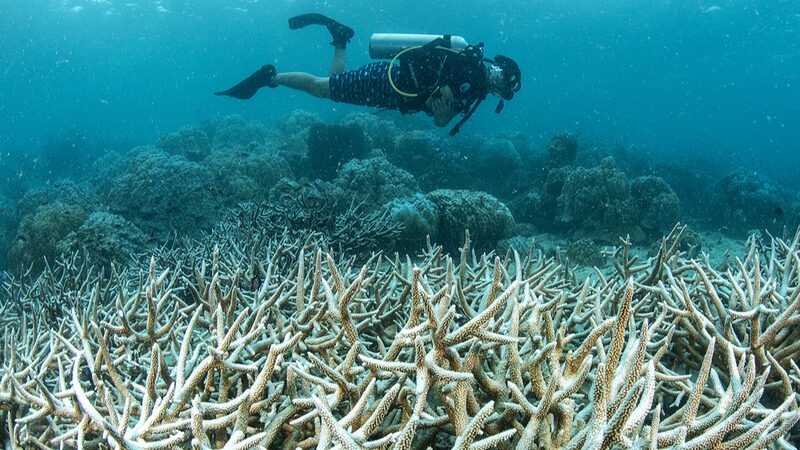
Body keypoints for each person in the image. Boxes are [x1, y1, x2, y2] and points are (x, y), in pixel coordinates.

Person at [215, 13, 522, 135]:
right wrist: (444, 111)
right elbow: (441, 99)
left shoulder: (475, 90)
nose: (497, 86)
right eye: (501, 78)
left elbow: (438, 113)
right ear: (497, 68)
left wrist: (443, 115)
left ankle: (340, 38)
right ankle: (272, 77)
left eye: (502, 88)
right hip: (385, 81)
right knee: (323, 89)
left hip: (388, 89)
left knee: (331, 88)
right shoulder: (469, 71)